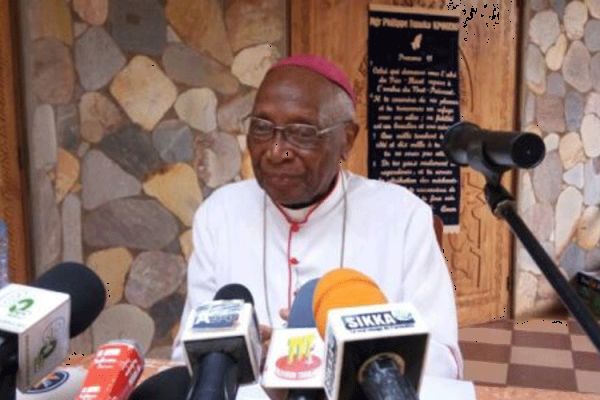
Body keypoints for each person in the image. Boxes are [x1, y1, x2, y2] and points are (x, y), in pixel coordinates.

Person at [172, 55, 463, 398]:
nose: (276, 151)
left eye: (302, 133)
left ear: (347, 140)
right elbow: (187, 354)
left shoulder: (402, 216)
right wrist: (244, 359)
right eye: (262, 128)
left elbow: (442, 360)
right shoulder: (219, 214)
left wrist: (337, 358)